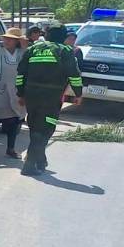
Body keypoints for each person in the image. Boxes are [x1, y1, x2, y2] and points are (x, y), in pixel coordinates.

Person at [16, 25, 82, 176]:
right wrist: (78, 94)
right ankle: (30, 164)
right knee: (46, 128)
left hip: (32, 96)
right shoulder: (64, 51)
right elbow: (74, 75)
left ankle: (40, 159)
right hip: (51, 97)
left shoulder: (33, 49)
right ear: (64, 37)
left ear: (46, 36)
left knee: (34, 126)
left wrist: (20, 94)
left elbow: (20, 74)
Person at [0, 27, 28, 159]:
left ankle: (11, 149)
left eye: (11, 39)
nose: (6, 41)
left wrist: (25, 47)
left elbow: (27, 63)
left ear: (16, 42)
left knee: (13, 122)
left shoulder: (22, 53)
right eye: (5, 38)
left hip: (15, 92)